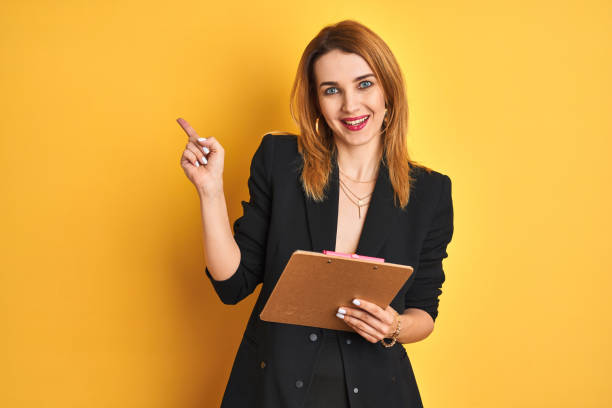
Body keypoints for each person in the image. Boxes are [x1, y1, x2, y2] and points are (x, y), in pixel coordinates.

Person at [178, 19, 454, 408]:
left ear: (388, 92)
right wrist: (210, 191)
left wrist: (393, 326)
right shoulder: (280, 161)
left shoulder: (431, 192)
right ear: (317, 103)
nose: (350, 105)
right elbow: (232, 283)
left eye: (364, 84)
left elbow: (424, 309)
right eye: (331, 90)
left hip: (379, 393)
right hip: (273, 389)